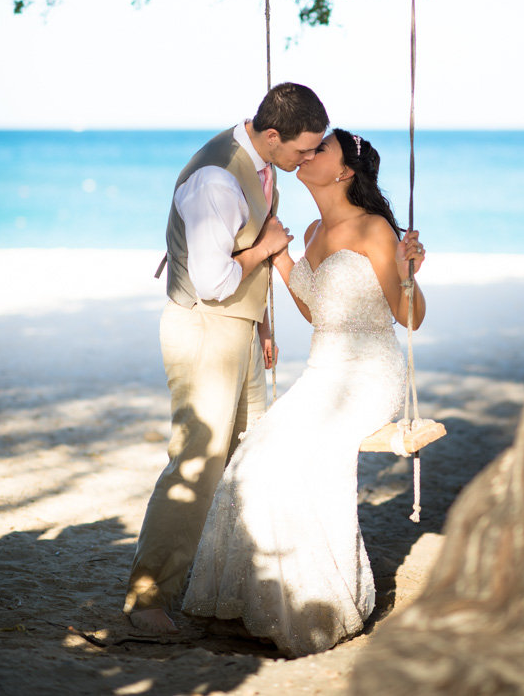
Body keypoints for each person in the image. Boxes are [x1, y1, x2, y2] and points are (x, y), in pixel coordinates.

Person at [182, 128, 426, 656]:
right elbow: (317, 311)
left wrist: (410, 274)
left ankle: (321, 607)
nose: (308, 154)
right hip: (322, 371)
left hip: (368, 370)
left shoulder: (374, 228)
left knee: (306, 461)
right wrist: (280, 254)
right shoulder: (313, 228)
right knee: (253, 460)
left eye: (321, 149)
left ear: (344, 171)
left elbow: (411, 318)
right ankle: (257, 602)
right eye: (308, 148)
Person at [123, 82, 329, 633]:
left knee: (249, 455)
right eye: (303, 149)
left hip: (239, 329)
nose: (307, 159)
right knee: (198, 460)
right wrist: (268, 248)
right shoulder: (217, 179)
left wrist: (261, 320)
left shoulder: (262, 169)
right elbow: (213, 280)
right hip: (204, 329)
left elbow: (239, 267)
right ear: (270, 135)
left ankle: (230, 587)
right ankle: (147, 601)